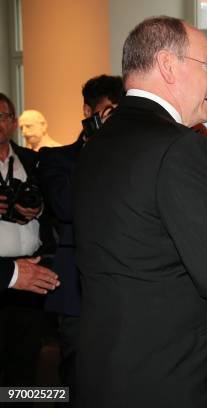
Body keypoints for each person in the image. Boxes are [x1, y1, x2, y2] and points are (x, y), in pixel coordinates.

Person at [72, 16, 207, 408]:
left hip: (106, 370)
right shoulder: (180, 146)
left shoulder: (97, 143)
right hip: (176, 378)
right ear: (168, 66)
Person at [38, 74, 124, 406]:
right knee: (76, 381)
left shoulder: (130, 157)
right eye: (106, 112)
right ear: (88, 111)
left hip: (123, 290)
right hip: (76, 292)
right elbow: (66, 207)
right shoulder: (55, 158)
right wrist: (94, 148)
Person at [0, 92, 56, 389]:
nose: (0, 123)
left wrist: (39, 208)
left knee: (26, 360)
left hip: (32, 271)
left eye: (5, 117)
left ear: (13, 122)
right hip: (1, 273)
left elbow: (55, 206)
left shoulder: (31, 159)